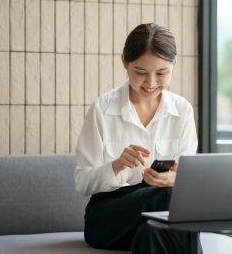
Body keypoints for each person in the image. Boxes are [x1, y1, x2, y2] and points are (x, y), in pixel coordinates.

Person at [74, 23, 200, 254]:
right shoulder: (103, 109)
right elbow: (82, 183)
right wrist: (117, 164)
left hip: (158, 215)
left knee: (151, 233)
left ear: (174, 65)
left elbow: (185, 175)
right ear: (125, 62)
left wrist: (173, 178)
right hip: (108, 216)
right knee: (169, 198)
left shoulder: (182, 111)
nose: (151, 83)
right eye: (140, 72)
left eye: (162, 73)